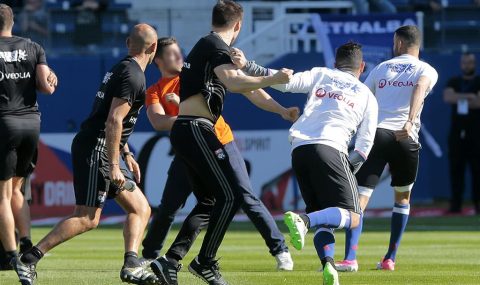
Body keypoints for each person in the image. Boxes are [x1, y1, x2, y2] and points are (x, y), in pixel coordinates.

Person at [149, 1, 293, 284]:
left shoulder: (212, 48)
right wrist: (273, 77)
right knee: (231, 195)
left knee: (209, 201)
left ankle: (170, 261)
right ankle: (205, 261)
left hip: (189, 130)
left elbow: (245, 87)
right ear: (238, 25)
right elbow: (237, 83)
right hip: (196, 129)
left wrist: (281, 110)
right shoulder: (215, 47)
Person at [13, 24, 159, 285]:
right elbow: (114, 120)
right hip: (99, 149)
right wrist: (114, 164)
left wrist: (125, 153)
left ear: (128, 42)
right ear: (154, 48)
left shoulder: (122, 68)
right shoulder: (134, 76)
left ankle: (132, 264)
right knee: (86, 218)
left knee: (141, 208)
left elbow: (111, 119)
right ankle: (28, 260)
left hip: (106, 147)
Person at [272, 42, 378, 285]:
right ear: (361, 67)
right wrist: (349, 169)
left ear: (335, 64)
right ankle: (304, 221)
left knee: (323, 216)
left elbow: (284, 83)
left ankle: (329, 267)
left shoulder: (321, 73)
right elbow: (364, 145)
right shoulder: (366, 96)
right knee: (353, 216)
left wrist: (250, 68)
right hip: (331, 148)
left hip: (299, 151)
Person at [336, 25, 438, 272]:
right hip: (406, 139)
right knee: (402, 198)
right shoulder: (427, 69)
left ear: (399, 43)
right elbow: (420, 87)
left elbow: (362, 96)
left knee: (359, 200)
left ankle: (350, 258)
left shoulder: (382, 68)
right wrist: (410, 120)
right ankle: (389, 258)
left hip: (377, 136)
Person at [0, 2, 56, 274]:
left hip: (4, 123)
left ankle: (10, 257)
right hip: (31, 123)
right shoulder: (33, 46)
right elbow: (47, 87)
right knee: (17, 190)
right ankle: (25, 243)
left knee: (1, 195)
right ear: (13, 22)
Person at [443, 52, 480, 214]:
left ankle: (477, 204)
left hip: (476, 133)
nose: (467, 65)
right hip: (457, 133)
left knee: (477, 170)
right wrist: (470, 96)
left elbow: (478, 103)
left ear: (474, 64)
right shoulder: (454, 81)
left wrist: (460, 97)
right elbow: (448, 97)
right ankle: (456, 205)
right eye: (464, 62)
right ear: (461, 64)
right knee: (456, 169)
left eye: (470, 62)